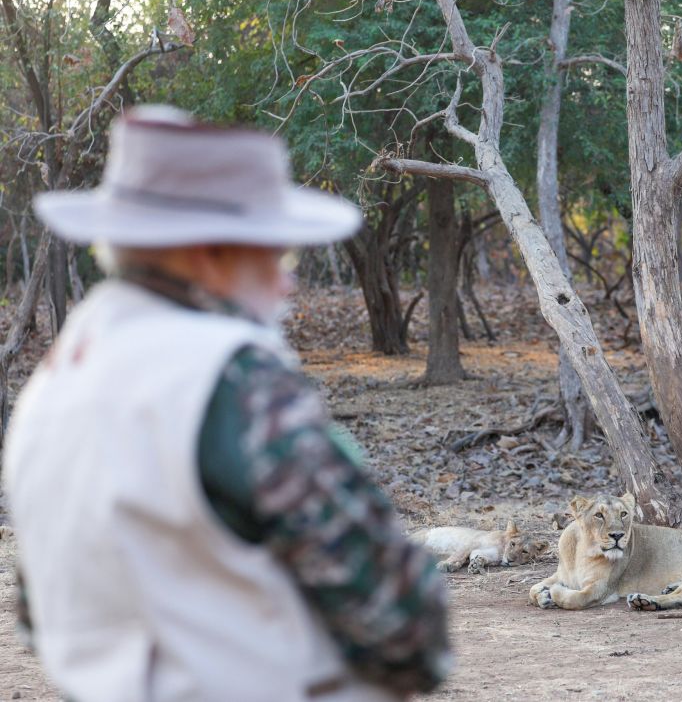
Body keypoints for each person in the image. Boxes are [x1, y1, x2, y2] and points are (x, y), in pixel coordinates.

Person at [3, 106, 450, 702]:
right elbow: (404, 622)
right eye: (276, 254)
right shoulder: (234, 381)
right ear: (210, 253)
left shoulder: (54, 381)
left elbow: (38, 610)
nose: (287, 280)